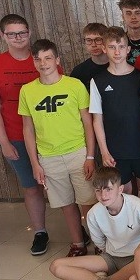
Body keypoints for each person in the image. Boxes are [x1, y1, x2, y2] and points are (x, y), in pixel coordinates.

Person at [0, 14, 50, 255]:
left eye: (22, 32)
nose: (18, 38)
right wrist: (4, 142)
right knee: (31, 187)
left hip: (50, 136)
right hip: (16, 137)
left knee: (61, 185)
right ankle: (40, 231)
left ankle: (76, 228)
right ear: (3, 35)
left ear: (29, 33)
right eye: (12, 34)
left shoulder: (43, 59)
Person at [18, 39, 96, 257]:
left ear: (57, 60)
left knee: (88, 201)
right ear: (33, 62)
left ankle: (99, 242)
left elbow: (88, 122)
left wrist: (90, 156)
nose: (43, 63)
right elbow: (28, 129)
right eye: (38, 59)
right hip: (49, 157)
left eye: (48, 58)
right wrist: (35, 163)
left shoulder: (74, 85)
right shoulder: (27, 91)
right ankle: (78, 243)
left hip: (78, 152)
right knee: (66, 204)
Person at [49, 167, 140, 280]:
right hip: (111, 258)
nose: (103, 195)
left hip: (139, 258)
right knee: (56, 266)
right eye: (98, 190)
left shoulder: (138, 206)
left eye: (108, 189)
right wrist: (109, 255)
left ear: (120, 189)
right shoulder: (93, 213)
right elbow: (99, 242)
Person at [90, 26, 140, 210]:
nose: (117, 52)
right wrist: (104, 151)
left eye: (121, 47)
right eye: (112, 47)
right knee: (125, 191)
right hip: (116, 149)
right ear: (104, 49)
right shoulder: (98, 81)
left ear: (128, 49)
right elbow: (97, 120)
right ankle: (130, 226)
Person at [70, 23, 109, 90]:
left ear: (106, 40)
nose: (93, 45)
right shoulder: (78, 72)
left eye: (98, 40)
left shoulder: (118, 66)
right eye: (89, 40)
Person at [118, 0, 140, 65]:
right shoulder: (119, 42)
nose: (133, 17)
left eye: (137, 13)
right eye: (128, 13)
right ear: (123, 17)